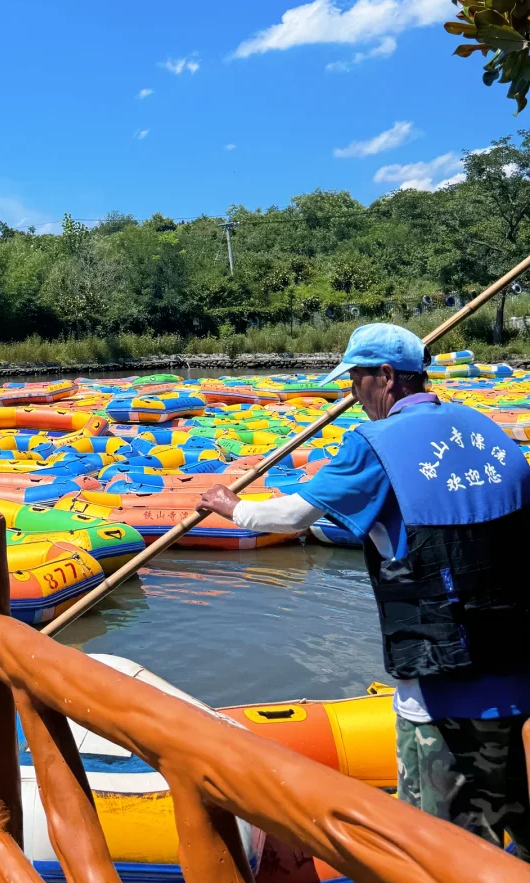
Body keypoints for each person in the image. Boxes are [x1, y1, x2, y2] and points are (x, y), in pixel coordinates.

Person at [198, 322, 530, 855]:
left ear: (386, 377)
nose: (353, 394)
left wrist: (233, 507)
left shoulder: (373, 445)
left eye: (356, 380)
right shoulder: (484, 427)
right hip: (516, 665)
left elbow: (294, 514)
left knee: (436, 845)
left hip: (441, 685)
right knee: (509, 808)